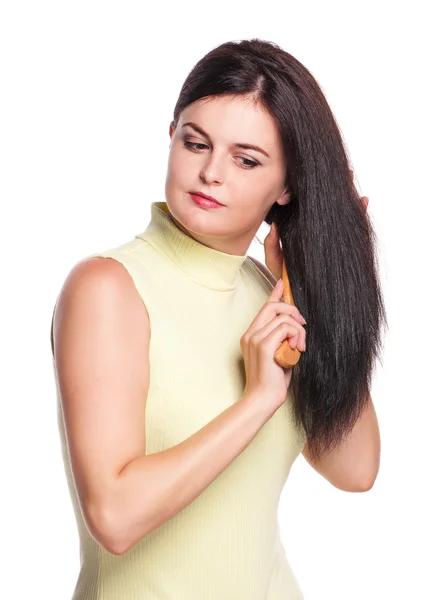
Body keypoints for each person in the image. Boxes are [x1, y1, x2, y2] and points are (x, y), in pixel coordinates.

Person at [51, 38, 386, 599]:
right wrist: (257, 399)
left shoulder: (270, 298)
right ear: (172, 137)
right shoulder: (108, 288)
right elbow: (114, 516)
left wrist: (313, 288)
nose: (210, 172)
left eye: (246, 159)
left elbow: (355, 470)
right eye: (196, 142)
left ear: (287, 187)